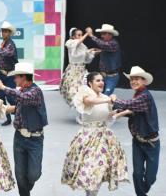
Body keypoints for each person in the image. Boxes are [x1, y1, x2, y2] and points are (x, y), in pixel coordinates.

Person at [61, 72, 130, 196]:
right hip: (88, 138)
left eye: (102, 80)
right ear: (90, 83)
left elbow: (108, 119)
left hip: (104, 139)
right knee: (89, 170)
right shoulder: (85, 94)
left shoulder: (104, 97)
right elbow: (89, 102)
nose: (101, 82)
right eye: (97, 80)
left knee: (98, 171)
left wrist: (124, 112)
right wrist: (109, 99)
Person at [0, 62, 47, 196]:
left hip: (35, 139)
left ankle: (25, 190)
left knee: (33, 174)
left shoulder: (35, 91)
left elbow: (24, 98)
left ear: (23, 77)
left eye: (16, 77)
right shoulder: (22, 91)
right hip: (19, 138)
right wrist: (14, 110)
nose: (14, 79)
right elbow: (23, 104)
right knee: (20, 175)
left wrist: (2, 87)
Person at [112, 66, 160, 196]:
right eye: (132, 79)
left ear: (144, 81)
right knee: (137, 173)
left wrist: (114, 100)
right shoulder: (138, 94)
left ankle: (142, 191)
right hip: (138, 142)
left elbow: (129, 104)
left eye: (137, 79)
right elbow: (134, 111)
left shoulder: (144, 96)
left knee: (150, 178)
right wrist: (117, 113)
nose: (133, 81)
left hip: (152, 144)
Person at [60, 27, 101, 108]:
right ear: (73, 36)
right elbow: (77, 43)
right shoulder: (70, 42)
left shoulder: (82, 46)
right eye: (79, 35)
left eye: (81, 35)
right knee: (73, 90)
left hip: (82, 70)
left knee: (84, 90)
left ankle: (83, 109)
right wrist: (87, 34)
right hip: (73, 70)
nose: (81, 36)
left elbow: (87, 58)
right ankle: (78, 106)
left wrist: (94, 52)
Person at [86, 24, 121, 95]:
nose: (102, 36)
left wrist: (91, 35)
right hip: (103, 75)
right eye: (102, 34)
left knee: (105, 96)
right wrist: (99, 51)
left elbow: (104, 45)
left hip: (112, 76)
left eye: (104, 34)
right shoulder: (108, 44)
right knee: (100, 94)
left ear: (110, 34)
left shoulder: (113, 43)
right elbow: (105, 48)